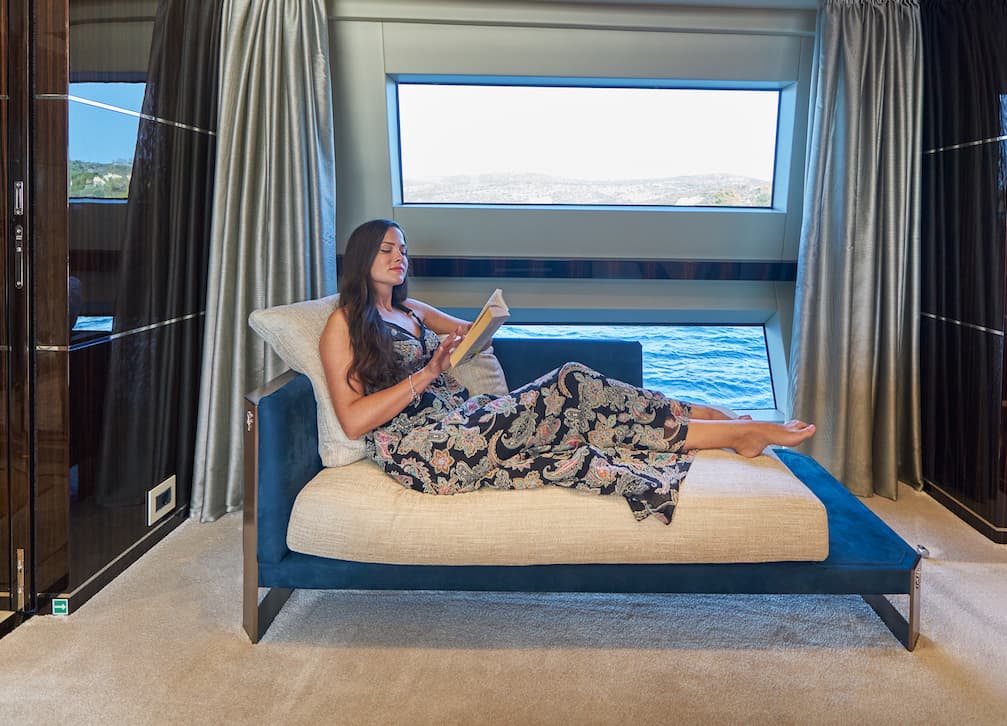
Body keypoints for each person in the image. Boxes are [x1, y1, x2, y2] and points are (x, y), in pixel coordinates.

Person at [319, 218, 817, 523]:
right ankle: (732, 427)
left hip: (465, 418)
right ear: (363, 257)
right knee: (571, 384)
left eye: (403, 250)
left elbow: (470, 338)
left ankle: (721, 423)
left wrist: (476, 330)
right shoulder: (344, 325)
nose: (398, 258)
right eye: (387, 250)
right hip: (423, 449)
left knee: (577, 387)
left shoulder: (411, 310)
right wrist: (428, 373)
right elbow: (354, 422)